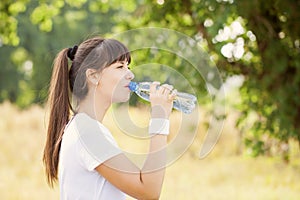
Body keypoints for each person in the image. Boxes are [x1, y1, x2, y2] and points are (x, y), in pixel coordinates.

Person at [43, 36, 176, 199]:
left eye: (128, 66)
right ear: (93, 76)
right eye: (120, 66)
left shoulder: (83, 127)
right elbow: (149, 191)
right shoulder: (87, 132)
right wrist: (159, 118)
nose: (131, 75)